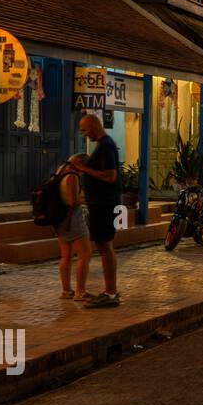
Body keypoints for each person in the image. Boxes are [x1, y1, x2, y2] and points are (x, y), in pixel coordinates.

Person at [72, 114, 121, 307]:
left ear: (93, 126)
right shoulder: (103, 146)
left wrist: (83, 169)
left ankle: (110, 292)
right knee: (103, 246)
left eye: (84, 130)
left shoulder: (106, 146)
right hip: (100, 203)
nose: (83, 134)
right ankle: (109, 290)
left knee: (105, 247)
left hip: (105, 204)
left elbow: (110, 176)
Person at [53, 153, 92, 300]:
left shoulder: (60, 172)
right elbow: (73, 201)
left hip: (60, 220)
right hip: (73, 220)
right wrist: (84, 200)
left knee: (66, 256)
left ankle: (66, 290)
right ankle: (80, 292)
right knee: (85, 255)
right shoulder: (72, 177)